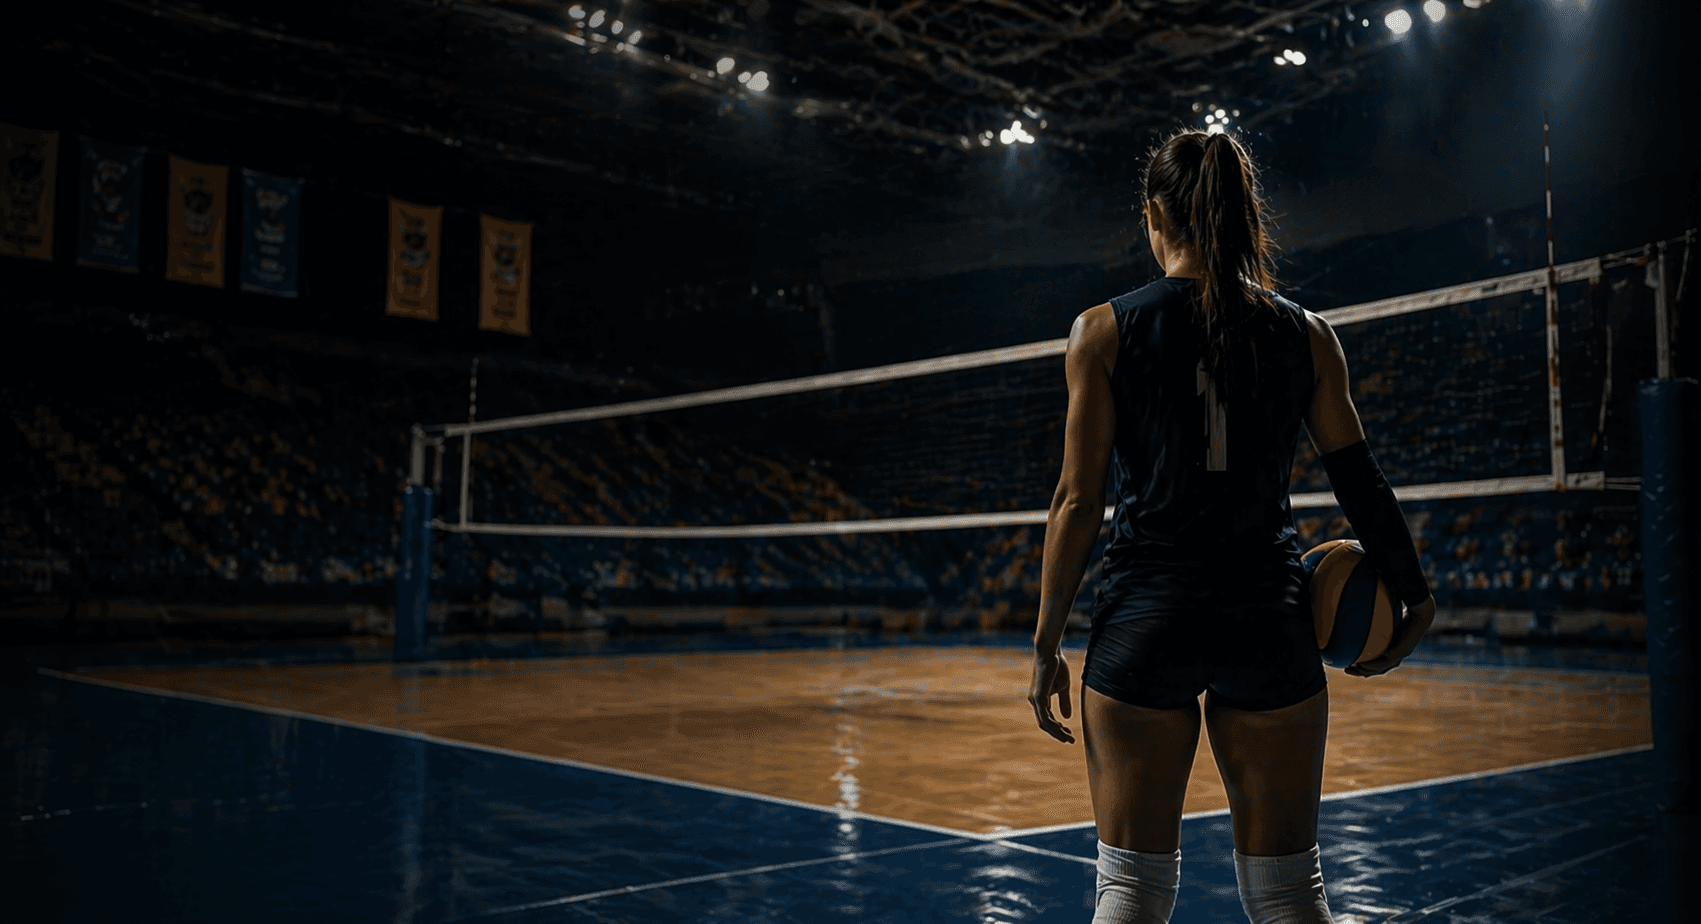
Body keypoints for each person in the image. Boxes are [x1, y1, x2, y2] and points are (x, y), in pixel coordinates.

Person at [1026, 129, 1438, 924]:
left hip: (1146, 618)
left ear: (1154, 215)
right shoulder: (1307, 333)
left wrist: (1046, 645)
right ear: (1243, 215)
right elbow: (1359, 481)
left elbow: (1076, 502)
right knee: (1289, 897)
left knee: (1130, 893)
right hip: (1266, 619)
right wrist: (1412, 597)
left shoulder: (1101, 331)